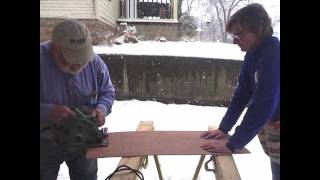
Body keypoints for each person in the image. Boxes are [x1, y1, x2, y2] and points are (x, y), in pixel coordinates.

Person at [200, 3, 280, 180]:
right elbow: (243, 92)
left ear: (257, 30)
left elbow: (264, 103)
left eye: (239, 34)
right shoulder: (253, 53)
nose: (234, 40)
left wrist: (233, 144)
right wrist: (224, 128)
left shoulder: (273, 54)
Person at [40, 19, 115, 180]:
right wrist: (48, 111)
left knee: (86, 176)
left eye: (82, 59)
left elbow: (107, 91)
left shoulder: (95, 63)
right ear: (54, 49)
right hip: (44, 139)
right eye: (71, 59)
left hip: (84, 137)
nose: (78, 65)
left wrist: (102, 108)